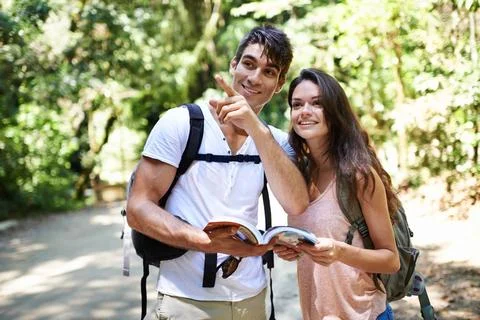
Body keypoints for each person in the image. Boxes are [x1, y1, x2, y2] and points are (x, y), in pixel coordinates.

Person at [126, 25, 309, 320]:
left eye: (268, 71)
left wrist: (255, 129)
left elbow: (297, 204)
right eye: (248, 64)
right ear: (233, 65)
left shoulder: (275, 142)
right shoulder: (181, 123)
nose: (254, 78)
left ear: (279, 84)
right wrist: (205, 241)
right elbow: (138, 208)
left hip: (252, 294)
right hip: (186, 299)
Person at [273, 68, 400, 320]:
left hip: (363, 314)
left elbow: (390, 260)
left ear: (334, 111)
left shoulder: (358, 176)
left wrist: (340, 252)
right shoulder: (299, 174)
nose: (305, 111)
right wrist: (294, 249)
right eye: (297, 105)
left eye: (317, 104)